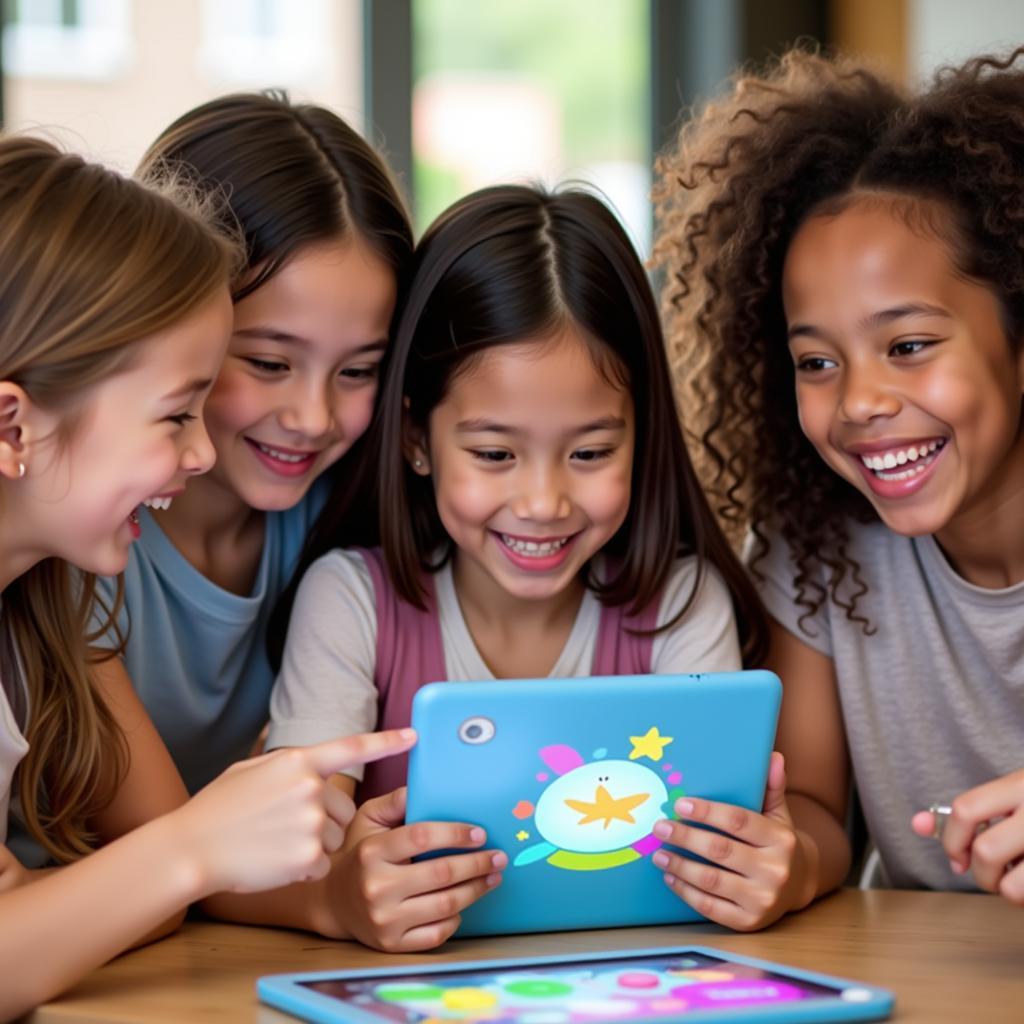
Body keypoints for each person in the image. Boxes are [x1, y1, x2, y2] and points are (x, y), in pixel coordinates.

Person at [267, 184, 773, 951]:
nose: (543, 502)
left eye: (592, 453)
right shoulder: (351, 602)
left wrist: (751, 872)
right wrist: (339, 889)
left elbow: (717, 862)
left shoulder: (680, 604)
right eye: (496, 454)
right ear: (414, 439)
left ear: (645, 438)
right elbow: (281, 854)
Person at [0, 135, 414, 1019]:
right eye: (176, 412)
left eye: (358, 370)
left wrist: (110, 885)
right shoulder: (64, 579)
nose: (197, 450)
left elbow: (57, 917)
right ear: (12, 427)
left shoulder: (25, 605)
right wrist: (189, 849)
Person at [652, 47, 1024, 918]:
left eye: (908, 347)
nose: (859, 400)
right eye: (816, 360)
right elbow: (815, 807)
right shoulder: (816, 543)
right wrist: (787, 858)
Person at [86, 92, 414, 802]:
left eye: (358, 371)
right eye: (268, 363)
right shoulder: (84, 535)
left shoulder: (350, 521)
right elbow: (164, 841)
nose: (311, 417)